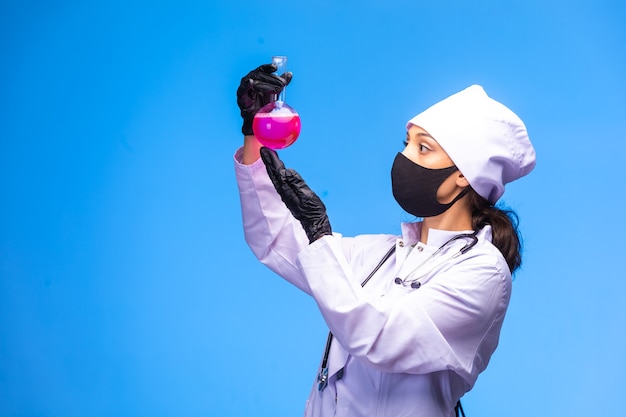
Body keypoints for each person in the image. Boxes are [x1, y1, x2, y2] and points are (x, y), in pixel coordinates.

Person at [233, 63, 536, 417]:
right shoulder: (384, 253)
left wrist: (319, 232)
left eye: (424, 149)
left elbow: (379, 336)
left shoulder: (483, 272)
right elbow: (276, 240)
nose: (404, 157)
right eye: (407, 144)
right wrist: (255, 134)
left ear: (462, 176)